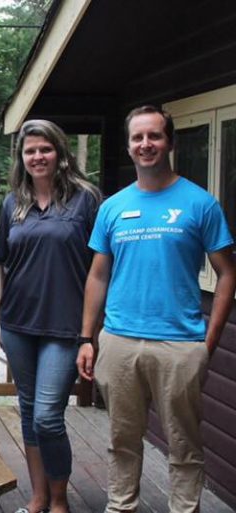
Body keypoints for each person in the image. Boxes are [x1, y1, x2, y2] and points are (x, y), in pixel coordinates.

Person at [76, 105, 236, 513]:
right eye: (137, 138)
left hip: (180, 343)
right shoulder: (112, 207)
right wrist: (87, 338)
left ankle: (185, 509)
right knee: (122, 440)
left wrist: (209, 340)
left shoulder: (200, 204)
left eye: (154, 136)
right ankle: (121, 506)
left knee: (184, 443)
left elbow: (226, 273)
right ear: (129, 146)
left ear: (170, 142)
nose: (145, 144)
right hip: (119, 341)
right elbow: (98, 276)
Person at [0, 120, 101, 513]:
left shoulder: (86, 199)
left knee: (48, 417)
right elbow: (4, 264)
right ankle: (38, 498)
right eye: (30, 151)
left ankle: (59, 499)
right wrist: (3, 319)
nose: (37, 157)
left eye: (45, 149)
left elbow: (100, 267)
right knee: (27, 412)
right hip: (19, 325)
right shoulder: (13, 204)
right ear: (22, 158)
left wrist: (91, 332)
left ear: (60, 152)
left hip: (65, 326)